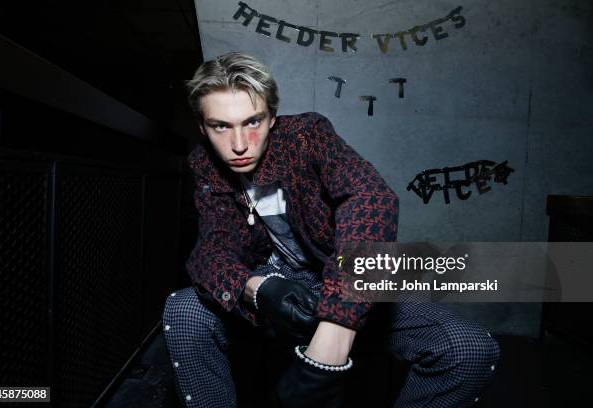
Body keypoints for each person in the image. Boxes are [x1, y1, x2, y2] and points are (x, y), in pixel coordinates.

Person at [163, 51, 499, 408]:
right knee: (183, 311)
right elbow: (211, 251)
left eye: (253, 122)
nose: (240, 143)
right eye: (221, 126)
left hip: (342, 276)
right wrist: (257, 289)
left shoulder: (307, 135)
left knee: (469, 348)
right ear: (202, 127)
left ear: (272, 118)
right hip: (272, 280)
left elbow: (369, 197)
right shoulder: (204, 164)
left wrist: (337, 329)